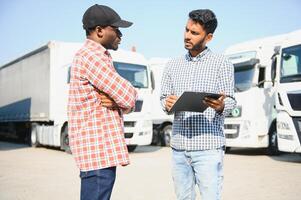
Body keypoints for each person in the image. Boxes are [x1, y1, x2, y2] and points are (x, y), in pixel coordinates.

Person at [160, 9, 236, 200]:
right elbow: (163, 97)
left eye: (194, 33)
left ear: (208, 37)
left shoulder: (222, 63)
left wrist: (220, 106)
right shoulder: (172, 65)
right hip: (179, 149)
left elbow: (231, 101)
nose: (187, 36)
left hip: (208, 149)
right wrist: (166, 102)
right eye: (186, 30)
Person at [67, 4, 137, 200]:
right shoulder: (92, 56)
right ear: (99, 31)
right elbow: (128, 95)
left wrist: (118, 102)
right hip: (97, 152)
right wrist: (123, 100)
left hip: (99, 153)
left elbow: (124, 99)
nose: (120, 35)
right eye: (116, 29)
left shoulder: (94, 56)